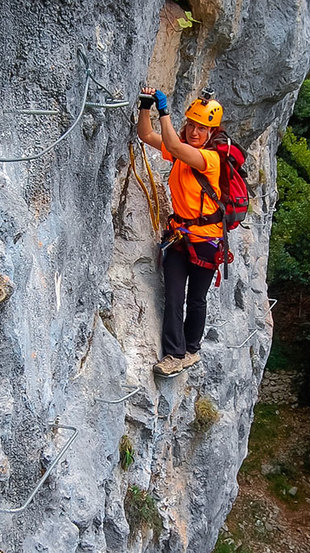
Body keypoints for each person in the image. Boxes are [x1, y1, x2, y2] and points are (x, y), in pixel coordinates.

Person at [137, 86, 226, 377]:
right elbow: (147, 136)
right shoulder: (179, 154)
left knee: (197, 298)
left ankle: (191, 349)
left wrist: (166, 111)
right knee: (175, 295)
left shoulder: (209, 160)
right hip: (179, 237)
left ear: (212, 133)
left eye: (202, 128)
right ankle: (175, 355)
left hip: (205, 241)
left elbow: (175, 146)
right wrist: (146, 105)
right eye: (191, 125)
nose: (195, 132)